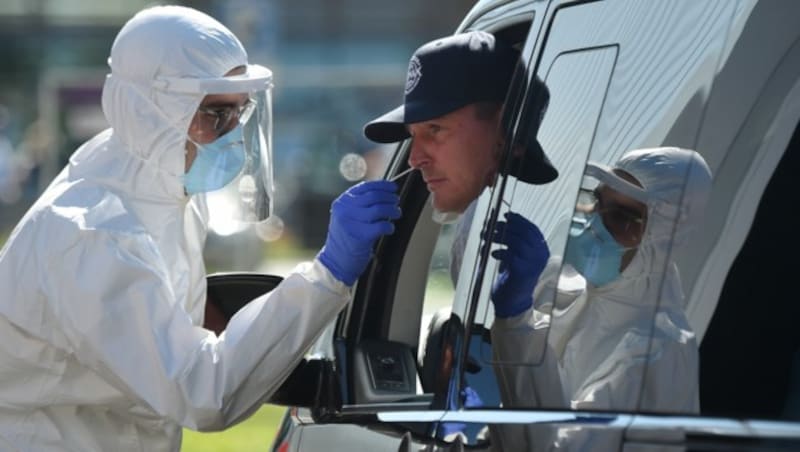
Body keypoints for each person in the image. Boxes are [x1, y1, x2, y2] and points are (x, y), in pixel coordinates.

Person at [0, 6, 400, 451]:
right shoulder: (91, 234)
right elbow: (201, 391)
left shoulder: (161, 195)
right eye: (215, 114)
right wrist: (327, 276)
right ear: (151, 112)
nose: (231, 134)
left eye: (239, 114)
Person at [489, 147, 713, 450]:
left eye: (622, 217)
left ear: (661, 238)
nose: (595, 225)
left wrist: (516, 323)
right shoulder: (566, 283)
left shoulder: (660, 351)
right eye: (597, 204)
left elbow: (554, 446)